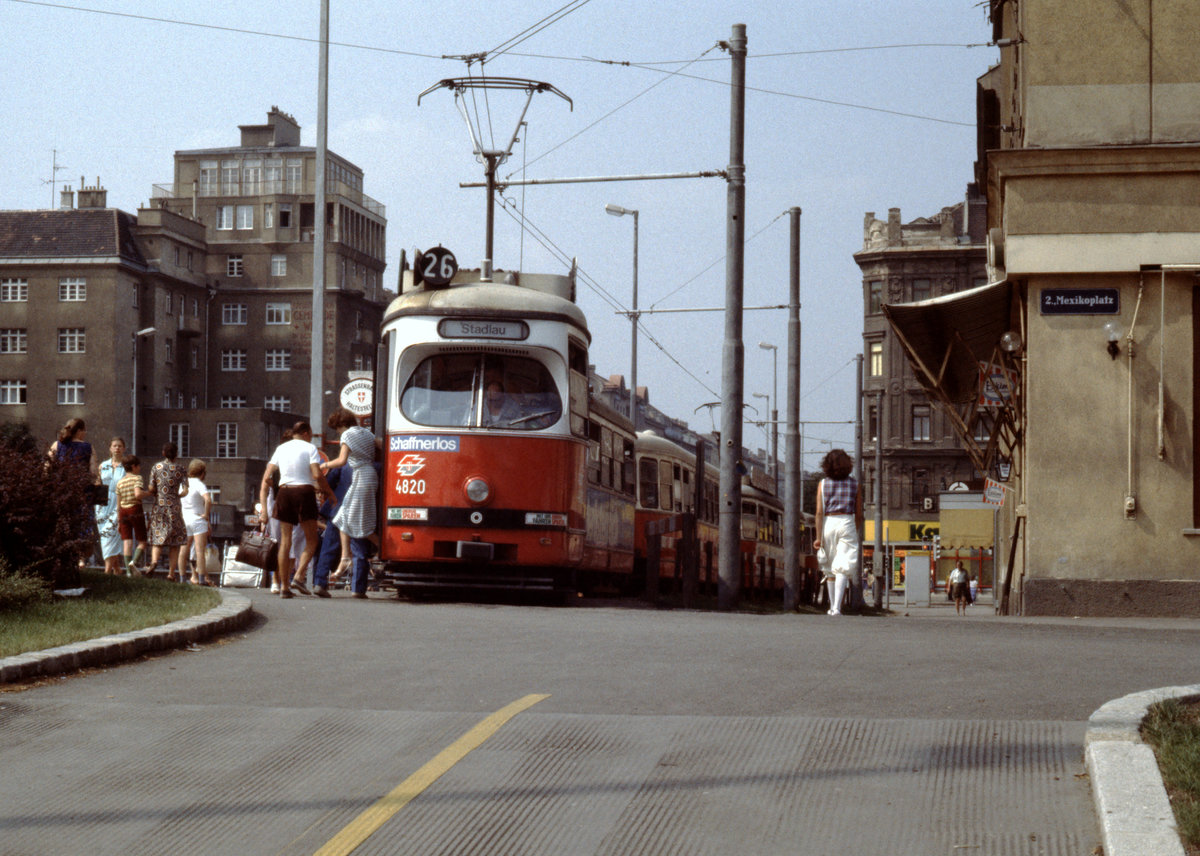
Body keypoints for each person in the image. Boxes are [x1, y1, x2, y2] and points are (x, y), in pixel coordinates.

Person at [259, 421, 332, 599]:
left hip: (284, 492)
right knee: (312, 539)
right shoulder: (310, 448)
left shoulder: (281, 448)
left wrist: (281, 483)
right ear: (306, 433)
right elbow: (317, 474)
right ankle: (298, 576)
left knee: (285, 542)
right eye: (311, 434)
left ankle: (284, 587)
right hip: (304, 492)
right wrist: (329, 492)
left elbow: (267, 477)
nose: (311, 437)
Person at [320, 408, 379, 595]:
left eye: (337, 429)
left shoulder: (347, 435)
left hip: (360, 476)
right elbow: (382, 445)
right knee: (343, 515)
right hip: (369, 474)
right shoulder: (368, 433)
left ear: (341, 425)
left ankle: (382, 547)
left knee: (359, 523)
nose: (338, 433)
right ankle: (346, 557)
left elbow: (341, 460)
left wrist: (324, 465)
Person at [812, 448, 863, 617]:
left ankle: (832, 606)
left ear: (827, 465)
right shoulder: (855, 484)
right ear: (848, 465)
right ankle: (837, 608)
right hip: (847, 521)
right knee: (843, 564)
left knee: (830, 566)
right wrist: (854, 529)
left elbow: (819, 512)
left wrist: (818, 537)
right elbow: (859, 514)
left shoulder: (823, 484)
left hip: (828, 523)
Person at [48, 417, 100, 567]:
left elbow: (47, 467)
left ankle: (63, 557)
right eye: (84, 430)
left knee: (64, 523)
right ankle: (80, 558)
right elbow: (93, 472)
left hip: (61, 490)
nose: (85, 433)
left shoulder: (56, 445)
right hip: (82, 492)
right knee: (82, 524)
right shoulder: (88, 447)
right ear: (79, 431)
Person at [147, 442, 188, 581]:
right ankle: (171, 574)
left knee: (158, 537)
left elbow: (151, 488)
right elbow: (185, 490)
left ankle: (154, 562)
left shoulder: (156, 467)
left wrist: (156, 493)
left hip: (160, 505)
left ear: (163, 453)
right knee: (175, 542)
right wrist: (177, 496)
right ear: (176, 454)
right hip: (174, 507)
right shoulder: (181, 469)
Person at [95, 437, 126, 575]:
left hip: (119, 501)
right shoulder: (103, 465)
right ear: (110, 448)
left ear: (124, 448)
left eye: (120, 446)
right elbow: (98, 483)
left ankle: (107, 571)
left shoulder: (126, 466)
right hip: (103, 503)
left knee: (111, 534)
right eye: (114, 445)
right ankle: (117, 569)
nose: (117, 448)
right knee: (105, 534)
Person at [181, 459, 213, 586]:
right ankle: (201, 579)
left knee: (183, 550)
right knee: (199, 551)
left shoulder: (183, 484)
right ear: (202, 473)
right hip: (198, 520)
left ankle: (182, 578)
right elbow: (208, 500)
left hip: (185, 519)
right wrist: (206, 515)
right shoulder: (199, 484)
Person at [115, 454, 149, 574]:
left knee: (127, 541)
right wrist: (149, 493)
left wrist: (119, 521)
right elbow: (138, 494)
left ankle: (129, 573)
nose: (139, 468)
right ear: (134, 466)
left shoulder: (120, 482)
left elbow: (118, 504)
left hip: (123, 512)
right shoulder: (137, 478)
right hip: (135, 509)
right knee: (142, 541)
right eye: (138, 466)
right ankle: (134, 562)